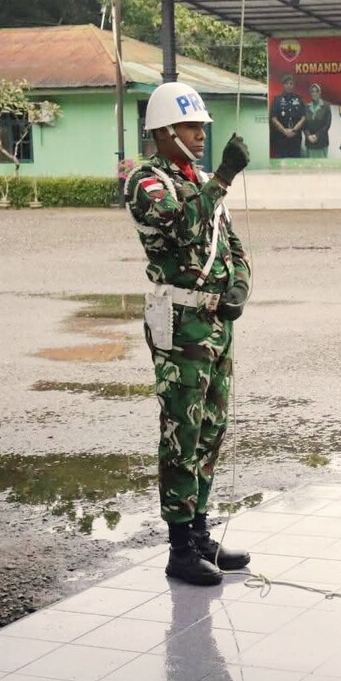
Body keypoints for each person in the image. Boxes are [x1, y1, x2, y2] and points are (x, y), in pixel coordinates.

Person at [126, 81, 253, 587]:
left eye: (202, 126)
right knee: (182, 428)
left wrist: (240, 283)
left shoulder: (200, 178)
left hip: (215, 321)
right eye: (190, 126)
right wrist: (222, 176)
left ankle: (200, 532)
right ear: (163, 132)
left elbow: (233, 244)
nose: (201, 134)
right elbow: (182, 227)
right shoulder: (146, 181)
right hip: (179, 321)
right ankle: (179, 548)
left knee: (211, 428)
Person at [269, 74, 305, 159]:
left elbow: (303, 117)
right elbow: (273, 118)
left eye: (291, 83)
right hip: (281, 138)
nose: (289, 86)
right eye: (287, 83)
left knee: (295, 165)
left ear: (293, 85)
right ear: (283, 85)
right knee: (281, 165)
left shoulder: (299, 99)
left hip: (295, 138)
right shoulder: (277, 100)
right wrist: (285, 131)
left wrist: (294, 130)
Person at [302, 83, 331, 156]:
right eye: (312, 91)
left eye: (316, 91)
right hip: (309, 142)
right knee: (310, 166)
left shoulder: (326, 106)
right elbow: (304, 125)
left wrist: (317, 136)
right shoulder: (306, 107)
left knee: (322, 166)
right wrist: (308, 136)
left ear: (320, 93)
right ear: (310, 93)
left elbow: (327, 125)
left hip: (322, 142)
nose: (314, 93)